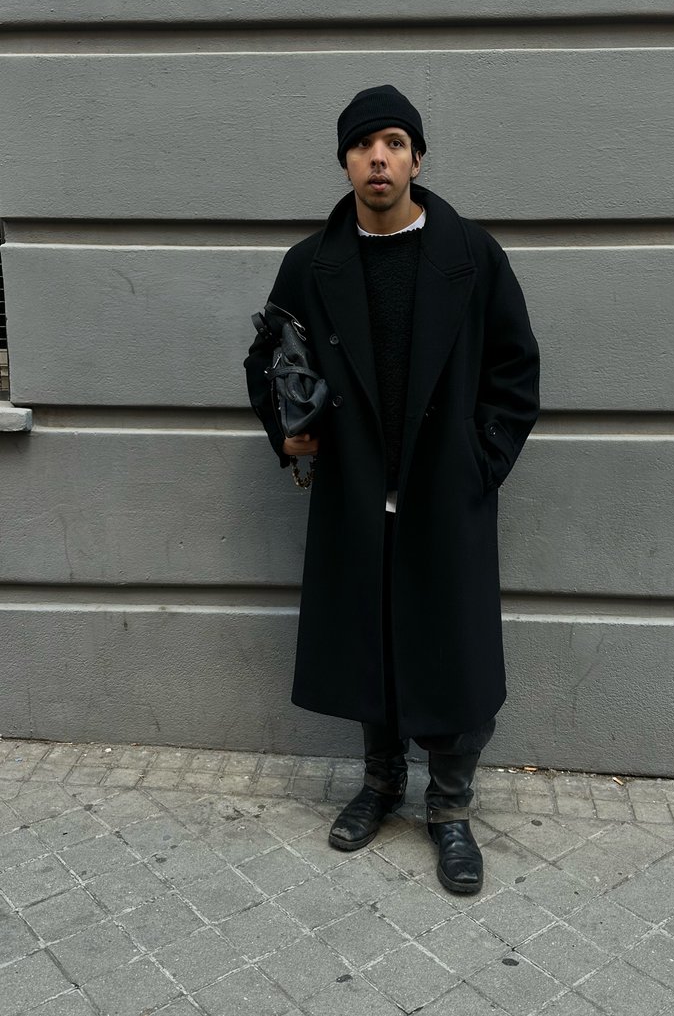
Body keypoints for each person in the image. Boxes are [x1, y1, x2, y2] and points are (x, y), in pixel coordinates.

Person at [246, 85, 539, 893]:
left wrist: (478, 467)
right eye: (365, 144)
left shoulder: (471, 255)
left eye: (396, 143)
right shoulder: (312, 264)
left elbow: (516, 374)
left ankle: (449, 809)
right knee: (371, 643)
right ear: (344, 161)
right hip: (356, 497)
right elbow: (265, 363)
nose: (380, 157)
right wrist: (287, 431)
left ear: (416, 158)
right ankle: (380, 785)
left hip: (446, 496)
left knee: (454, 652)